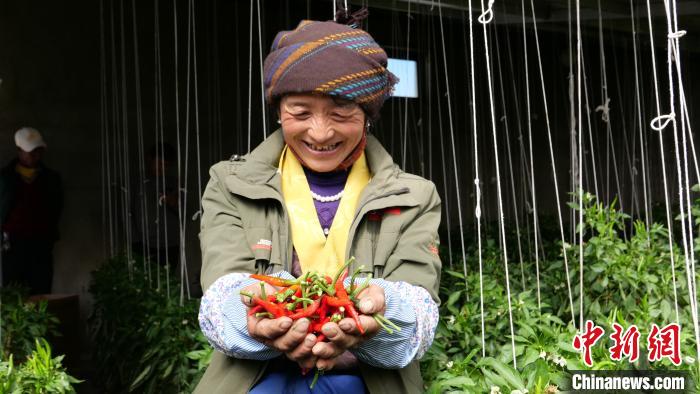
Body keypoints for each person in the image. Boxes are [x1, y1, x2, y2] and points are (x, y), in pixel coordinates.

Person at [197, 18, 441, 394]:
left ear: (368, 115)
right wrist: (252, 319)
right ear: (279, 110)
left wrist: (383, 310)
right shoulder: (231, 185)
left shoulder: (414, 197)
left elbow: (418, 307)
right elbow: (222, 288)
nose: (320, 132)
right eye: (300, 112)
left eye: (342, 112)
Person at [1, 127, 63, 294]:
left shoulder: (51, 179)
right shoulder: (5, 178)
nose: (35, 155)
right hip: (13, 245)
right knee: (14, 294)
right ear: (20, 151)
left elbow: (56, 209)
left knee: (41, 292)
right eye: (31, 151)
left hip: (41, 244)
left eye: (38, 151)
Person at [132, 143, 180, 266]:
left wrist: (173, 203)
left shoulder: (174, 183)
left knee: (167, 279)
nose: (162, 169)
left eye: (166, 165)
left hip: (170, 243)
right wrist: (135, 241)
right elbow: (127, 212)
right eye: (159, 163)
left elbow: (186, 212)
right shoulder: (135, 182)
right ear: (149, 158)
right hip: (142, 243)